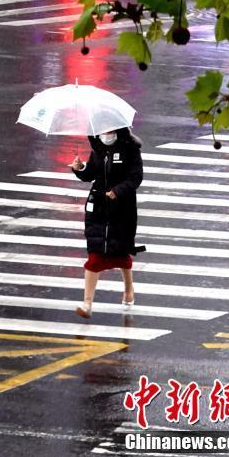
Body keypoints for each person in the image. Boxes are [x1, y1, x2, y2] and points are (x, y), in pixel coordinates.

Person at [71, 127, 144, 318]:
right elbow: (91, 174)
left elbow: (136, 177)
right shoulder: (97, 147)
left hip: (122, 209)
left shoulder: (130, 148)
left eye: (110, 129)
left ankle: (129, 290)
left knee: (121, 255)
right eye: (103, 129)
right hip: (98, 209)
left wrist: (118, 191)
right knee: (95, 256)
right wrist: (79, 169)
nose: (106, 133)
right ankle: (87, 303)